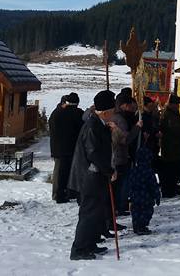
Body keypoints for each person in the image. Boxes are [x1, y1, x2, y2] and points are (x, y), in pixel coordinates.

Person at [68, 90, 117, 261]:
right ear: (105, 112)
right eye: (112, 111)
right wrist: (109, 170)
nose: (114, 114)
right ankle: (79, 248)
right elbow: (94, 152)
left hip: (96, 176)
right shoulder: (92, 126)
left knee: (96, 212)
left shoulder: (99, 124)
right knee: (88, 213)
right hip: (89, 176)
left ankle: (90, 243)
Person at [49, 93, 84, 203]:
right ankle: (65, 194)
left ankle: (60, 194)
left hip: (57, 148)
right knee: (67, 172)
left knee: (60, 172)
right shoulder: (77, 113)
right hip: (71, 148)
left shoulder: (57, 112)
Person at [110, 90, 141, 214]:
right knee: (122, 183)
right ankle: (120, 206)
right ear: (124, 105)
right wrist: (137, 128)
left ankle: (116, 206)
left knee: (118, 183)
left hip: (115, 156)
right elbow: (125, 139)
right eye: (130, 106)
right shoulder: (120, 120)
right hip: (120, 155)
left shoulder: (114, 116)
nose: (132, 108)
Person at [159, 94, 180, 198]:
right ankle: (168, 190)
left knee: (175, 169)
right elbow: (175, 130)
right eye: (176, 104)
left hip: (176, 147)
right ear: (171, 104)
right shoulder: (167, 114)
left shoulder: (174, 114)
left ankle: (173, 187)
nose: (178, 106)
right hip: (170, 147)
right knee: (169, 170)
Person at [127, 144, 160, 235]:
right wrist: (157, 196)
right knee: (146, 211)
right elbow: (153, 185)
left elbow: (129, 182)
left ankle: (136, 225)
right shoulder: (149, 171)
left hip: (135, 195)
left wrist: (129, 194)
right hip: (146, 196)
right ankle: (141, 226)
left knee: (136, 211)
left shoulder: (134, 170)